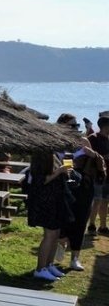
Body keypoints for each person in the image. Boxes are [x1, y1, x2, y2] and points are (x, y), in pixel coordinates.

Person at [55, 114, 105, 271]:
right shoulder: (54, 141)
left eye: (76, 126)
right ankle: (61, 245)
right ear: (61, 125)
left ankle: (75, 258)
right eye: (72, 126)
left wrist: (93, 155)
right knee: (62, 218)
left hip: (83, 185)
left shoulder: (83, 141)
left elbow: (96, 161)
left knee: (80, 220)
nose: (75, 129)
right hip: (64, 184)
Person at [27, 148, 69, 281]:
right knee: (49, 235)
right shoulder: (40, 155)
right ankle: (40, 269)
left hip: (54, 200)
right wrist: (59, 171)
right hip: (45, 201)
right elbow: (40, 181)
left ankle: (49, 265)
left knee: (56, 233)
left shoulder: (53, 155)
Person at [86, 116, 109, 235]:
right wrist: (104, 156)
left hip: (107, 174)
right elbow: (89, 154)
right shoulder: (94, 138)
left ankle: (103, 226)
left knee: (105, 200)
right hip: (97, 174)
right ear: (105, 127)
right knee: (97, 199)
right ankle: (91, 225)